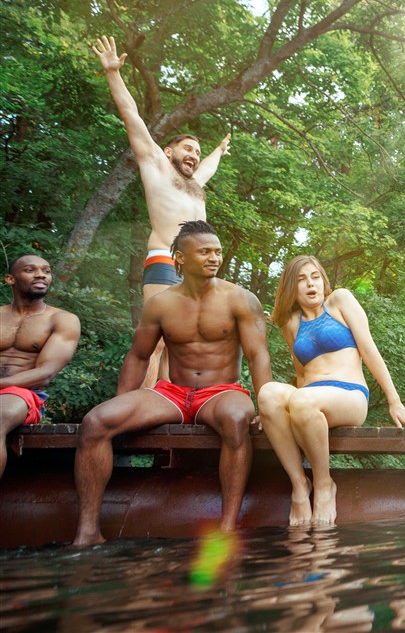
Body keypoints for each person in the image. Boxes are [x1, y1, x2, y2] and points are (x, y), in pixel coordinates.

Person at [72, 220, 271, 546]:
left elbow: (258, 356)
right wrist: (122, 401)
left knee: (237, 420)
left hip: (221, 392)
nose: (214, 258)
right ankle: (87, 531)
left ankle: (227, 528)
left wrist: (264, 405)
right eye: (204, 251)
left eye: (217, 252)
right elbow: (139, 356)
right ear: (179, 258)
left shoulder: (240, 299)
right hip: (172, 393)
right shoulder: (161, 304)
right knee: (95, 422)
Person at [93, 35, 231, 388]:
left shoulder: (194, 183)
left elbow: (207, 169)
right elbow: (131, 116)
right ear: (169, 152)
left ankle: (170, 406)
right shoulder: (156, 165)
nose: (194, 155)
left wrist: (217, 151)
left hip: (196, 269)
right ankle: (142, 401)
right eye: (188, 148)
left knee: (179, 345)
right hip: (165, 260)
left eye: (197, 152)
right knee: (153, 341)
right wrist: (113, 73)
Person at [259, 256, 405, 528]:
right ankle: (300, 486)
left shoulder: (340, 301)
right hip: (310, 398)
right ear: (291, 287)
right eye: (301, 280)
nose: (311, 284)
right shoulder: (290, 322)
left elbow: (369, 350)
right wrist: (288, 417)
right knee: (267, 394)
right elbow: (301, 374)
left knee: (302, 400)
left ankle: (324, 485)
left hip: (350, 395)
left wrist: (394, 400)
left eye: (315, 276)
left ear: (323, 280)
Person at [1, 254, 81, 480]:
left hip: (22, 395)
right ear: (10, 279)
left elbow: (45, 373)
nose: (41, 275)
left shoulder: (62, 319)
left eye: (46, 271)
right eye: (30, 270)